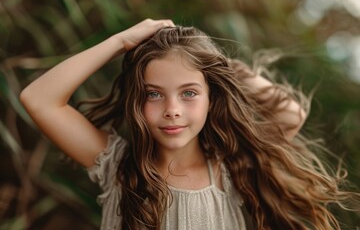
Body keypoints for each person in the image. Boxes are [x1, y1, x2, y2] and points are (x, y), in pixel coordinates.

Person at [20, 19, 357, 230]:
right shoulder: (119, 166)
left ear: (213, 97)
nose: (172, 110)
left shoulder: (228, 166)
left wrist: (230, 70)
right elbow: (38, 98)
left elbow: (291, 114)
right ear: (135, 99)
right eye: (153, 94)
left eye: (189, 93)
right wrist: (120, 42)